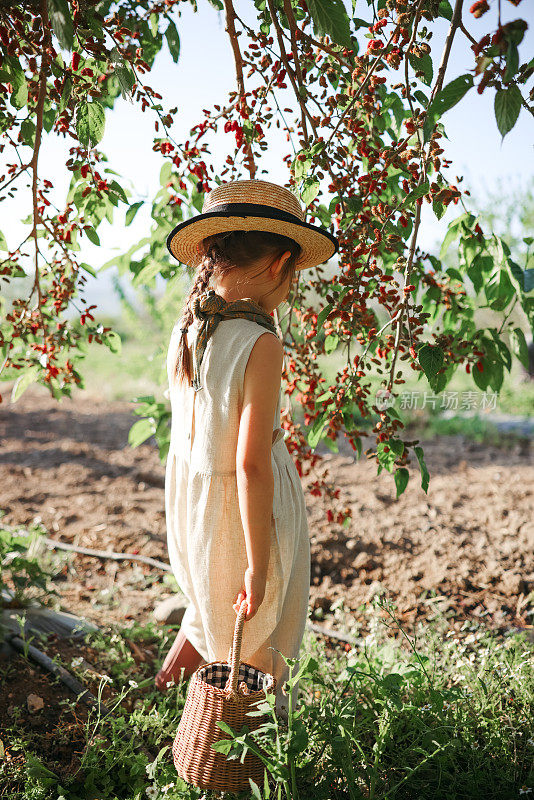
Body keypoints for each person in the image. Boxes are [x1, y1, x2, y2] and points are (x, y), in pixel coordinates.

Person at [154, 178, 339, 719]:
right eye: (295, 276)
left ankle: (161, 700)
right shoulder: (260, 342)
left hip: (194, 513)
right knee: (257, 655)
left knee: (205, 611)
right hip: (244, 520)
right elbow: (251, 463)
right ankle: (240, 766)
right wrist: (259, 565)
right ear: (281, 265)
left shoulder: (190, 327)